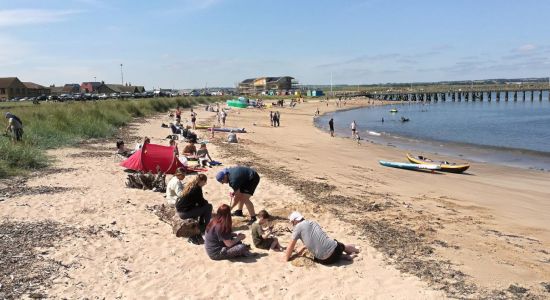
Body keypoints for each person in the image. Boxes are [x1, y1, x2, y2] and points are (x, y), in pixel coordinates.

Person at [285, 212, 360, 265]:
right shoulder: (313, 222)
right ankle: (355, 249)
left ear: (295, 220)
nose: (292, 225)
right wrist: (303, 248)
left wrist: (286, 259)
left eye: (292, 222)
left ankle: (348, 255)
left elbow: (290, 246)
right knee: (339, 245)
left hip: (325, 261)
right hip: (336, 251)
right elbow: (318, 240)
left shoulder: (298, 227)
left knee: (322, 253)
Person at [176, 174, 213, 245]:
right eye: (205, 182)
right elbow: (201, 202)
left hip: (181, 210)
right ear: (201, 181)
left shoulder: (191, 186)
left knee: (204, 207)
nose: (205, 184)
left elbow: (199, 201)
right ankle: (207, 226)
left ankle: (202, 223)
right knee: (208, 207)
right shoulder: (197, 189)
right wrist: (206, 203)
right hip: (184, 213)